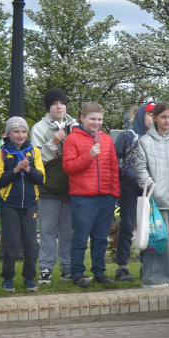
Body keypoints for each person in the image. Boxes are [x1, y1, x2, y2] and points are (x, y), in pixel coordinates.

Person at [62, 102, 120, 288]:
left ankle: (99, 272)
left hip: (105, 198)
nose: (96, 123)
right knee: (80, 237)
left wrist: (114, 194)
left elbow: (113, 168)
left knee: (101, 238)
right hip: (83, 197)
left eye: (100, 119)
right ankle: (77, 273)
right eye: (92, 119)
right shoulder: (72, 139)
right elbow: (69, 167)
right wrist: (89, 155)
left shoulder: (107, 140)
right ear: (82, 118)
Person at [133, 102, 169, 288]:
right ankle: (154, 278)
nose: (167, 120)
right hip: (156, 199)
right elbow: (140, 168)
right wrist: (151, 186)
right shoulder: (145, 141)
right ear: (155, 118)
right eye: (163, 117)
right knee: (158, 238)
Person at [30, 88, 75, 284]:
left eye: (62, 103)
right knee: (47, 230)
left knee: (68, 231)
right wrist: (53, 143)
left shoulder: (75, 125)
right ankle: (46, 269)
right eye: (55, 103)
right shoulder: (39, 129)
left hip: (71, 187)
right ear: (49, 107)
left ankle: (68, 269)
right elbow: (37, 160)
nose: (59, 106)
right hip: (48, 188)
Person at [0, 116, 44, 293]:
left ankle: (29, 279)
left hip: (30, 204)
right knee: (11, 243)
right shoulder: (1, 154)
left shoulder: (34, 152)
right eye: (16, 131)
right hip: (9, 203)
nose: (20, 134)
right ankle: (8, 279)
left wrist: (28, 169)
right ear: (8, 134)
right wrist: (15, 170)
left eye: (24, 131)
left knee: (31, 243)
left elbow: (41, 179)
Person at [112, 102, 154, 283]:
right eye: (150, 115)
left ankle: (147, 265)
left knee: (148, 225)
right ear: (142, 115)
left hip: (150, 188)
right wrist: (130, 175)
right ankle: (122, 266)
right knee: (128, 225)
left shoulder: (159, 137)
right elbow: (116, 160)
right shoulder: (129, 135)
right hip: (129, 187)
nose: (154, 119)